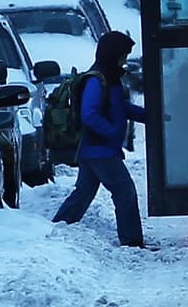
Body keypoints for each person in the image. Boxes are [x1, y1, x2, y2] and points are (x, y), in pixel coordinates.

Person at [51, 31, 149, 248]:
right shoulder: (97, 80)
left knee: (83, 193)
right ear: (113, 54)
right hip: (100, 150)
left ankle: (56, 230)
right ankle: (131, 241)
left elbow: (119, 107)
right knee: (124, 191)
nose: (124, 59)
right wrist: (112, 131)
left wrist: (151, 116)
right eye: (123, 54)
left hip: (94, 149)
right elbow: (89, 114)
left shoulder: (109, 78)